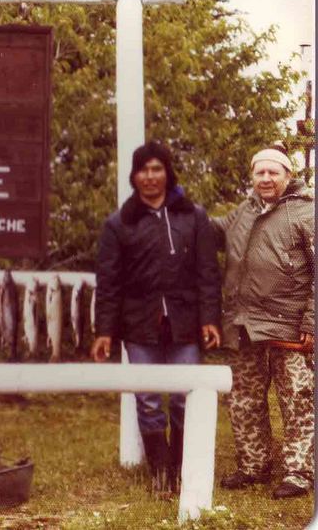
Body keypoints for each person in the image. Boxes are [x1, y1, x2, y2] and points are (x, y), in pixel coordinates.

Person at [91, 140, 222, 493]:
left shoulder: (193, 216)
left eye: (156, 169)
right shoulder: (119, 224)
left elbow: (208, 272)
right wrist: (104, 331)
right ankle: (160, 473)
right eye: (143, 170)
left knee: (183, 394)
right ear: (134, 176)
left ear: (167, 173)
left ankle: (180, 468)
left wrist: (209, 318)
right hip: (138, 325)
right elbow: (108, 284)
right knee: (148, 398)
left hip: (185, 322)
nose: (150, 177)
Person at [213, 146, 314, 499]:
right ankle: (253, 467)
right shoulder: (245, 212)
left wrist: (313, 322)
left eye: (273, 172)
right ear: (253, 177)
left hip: (290, 327)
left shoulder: (307, 212)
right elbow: (211, 232)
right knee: (244, 399)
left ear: (287, 176)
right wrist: (173, 211)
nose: (266, 179)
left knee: (298, 400)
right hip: (244, 324)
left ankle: (299, 473)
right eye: (260, 173)